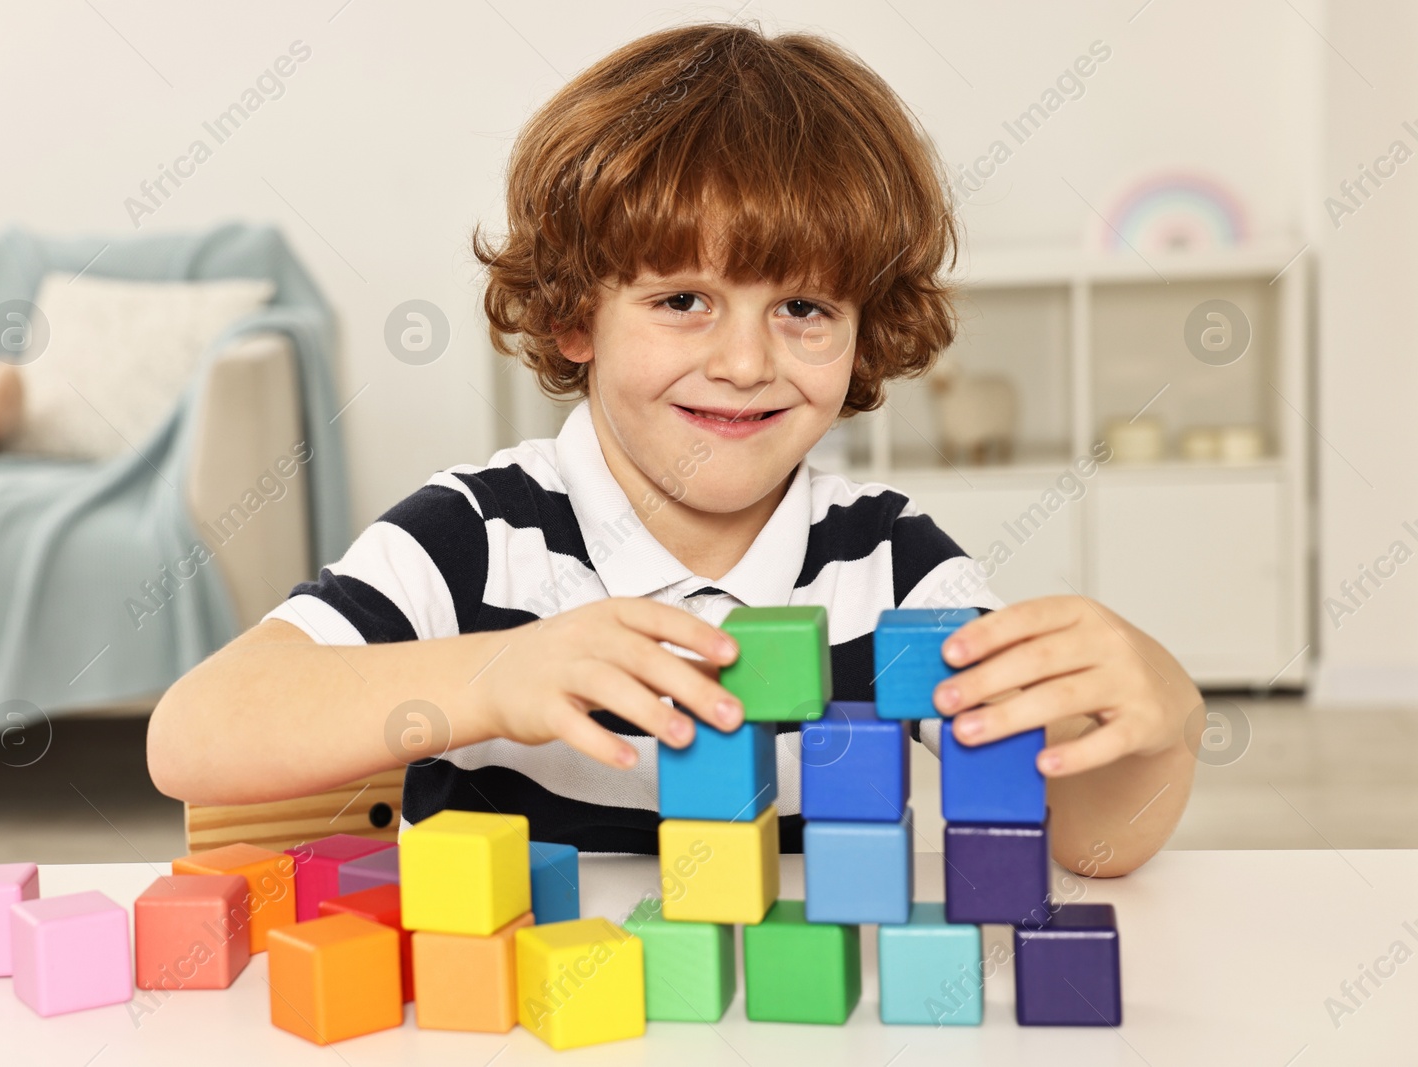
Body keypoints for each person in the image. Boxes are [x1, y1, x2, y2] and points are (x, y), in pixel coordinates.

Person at [148, 22, 1198, 877]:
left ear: (861, 331)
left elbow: (1090, 841)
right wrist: (494, 672)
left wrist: (1165, 719)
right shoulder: (480, 534)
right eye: (681, 299)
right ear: (574, 316)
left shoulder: (887, 568)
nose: (745, 361)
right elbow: (194, 733)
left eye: (801, 306)